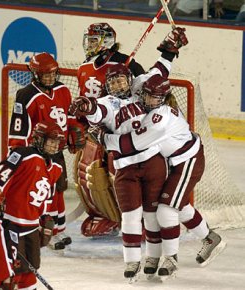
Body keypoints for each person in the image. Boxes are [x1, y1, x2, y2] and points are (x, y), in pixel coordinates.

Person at [70, 26, 188, 281]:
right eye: (112, 81)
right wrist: (86, 106)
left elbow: (159, 70)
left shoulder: (139, 88)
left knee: (156, 213)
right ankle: (133, 261)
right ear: (107, 85)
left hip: (152, 161)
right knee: (131, 216)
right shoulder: (106, 103)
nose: (118, 84)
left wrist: (169, 48)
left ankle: (168, 256)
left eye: (121, 79)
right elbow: (96, 111)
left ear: (129, 80)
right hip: (125, 166)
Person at [97, 74, 227, 278]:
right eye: (147, 96)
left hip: (187, 161)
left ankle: (172, 259)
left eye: (155, 98)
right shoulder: (150, 103)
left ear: (163, 98)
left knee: (166, 211)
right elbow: (147, 74)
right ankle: (210, 238)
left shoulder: (160, 119)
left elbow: (130, 145)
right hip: (174, 160)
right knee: (178, 204)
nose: (149, 101)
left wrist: (102, 138)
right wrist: (166, 51)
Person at [8, 52, 85, 250]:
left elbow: (69, 116)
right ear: (35, 74)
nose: (51, 78)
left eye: (53, 74)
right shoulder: (26, 95)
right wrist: (20, 156)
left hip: (57, 150)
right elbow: (19, 129)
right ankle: (45, 232)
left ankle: (58, 230)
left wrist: (74, 129)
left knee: (59, 189)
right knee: (44, 193)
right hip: (39, 153)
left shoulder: (62, 90)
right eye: (46, 75)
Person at [75, 22, 146, 238]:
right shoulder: (84, 67)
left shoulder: (128, 64)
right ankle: (104, 214)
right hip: (94, 131)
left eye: (94, 39)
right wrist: (78, 126)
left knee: (123, 175)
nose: (90, 44)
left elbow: (142, 96)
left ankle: (139, 218)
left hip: (121, 130)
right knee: (89, 174)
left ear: (107, 41)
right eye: (89, 39)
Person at [0, 121, 65, 289]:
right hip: (11, 225)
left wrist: (46, 219)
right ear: (40, 139)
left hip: (32, 227)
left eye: (57, 142)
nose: (55, 146)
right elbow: (0, 175)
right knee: (8, 278)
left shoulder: (56, 168)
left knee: (29, 273)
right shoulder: (24, 154)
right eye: (51, 141)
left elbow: (47, 197)